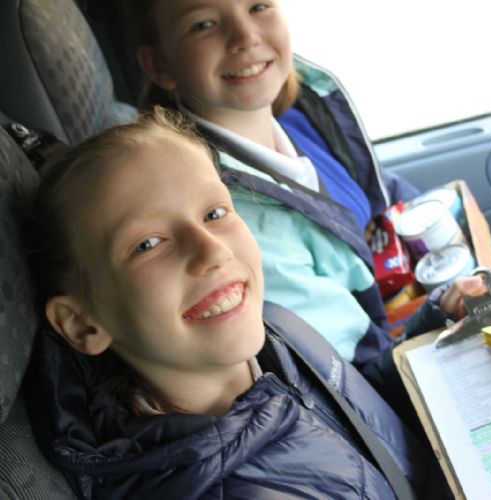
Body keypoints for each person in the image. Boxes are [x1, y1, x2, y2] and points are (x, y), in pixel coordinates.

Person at [23, 108, 454, 499]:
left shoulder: (273, 326)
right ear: (83, 324)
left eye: (214, 213)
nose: (212, 251)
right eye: (148, 244)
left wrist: (438, 327)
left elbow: (361, 417)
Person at [119, 0, 465, 414]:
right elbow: (356, 380)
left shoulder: (301, 117)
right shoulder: (237, 221)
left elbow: (379, 194)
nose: (246, 36)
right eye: (204, 24)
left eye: (258, 6)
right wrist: (439, 313)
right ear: (159, 65)